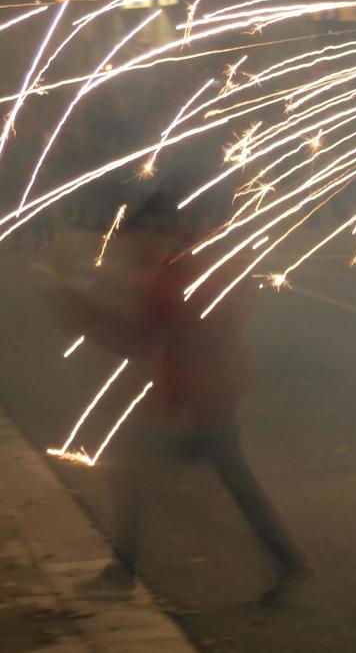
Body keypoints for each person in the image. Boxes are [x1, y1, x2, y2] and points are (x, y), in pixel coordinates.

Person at [80, 173, 309, 606]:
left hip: (200, 395)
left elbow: (149, 332)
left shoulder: (187, 268)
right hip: (207, 390)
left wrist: (84, 315)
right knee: (227, 479)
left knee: (140, 472)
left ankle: (123, 571)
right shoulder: (211, 259)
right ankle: (289, 563)